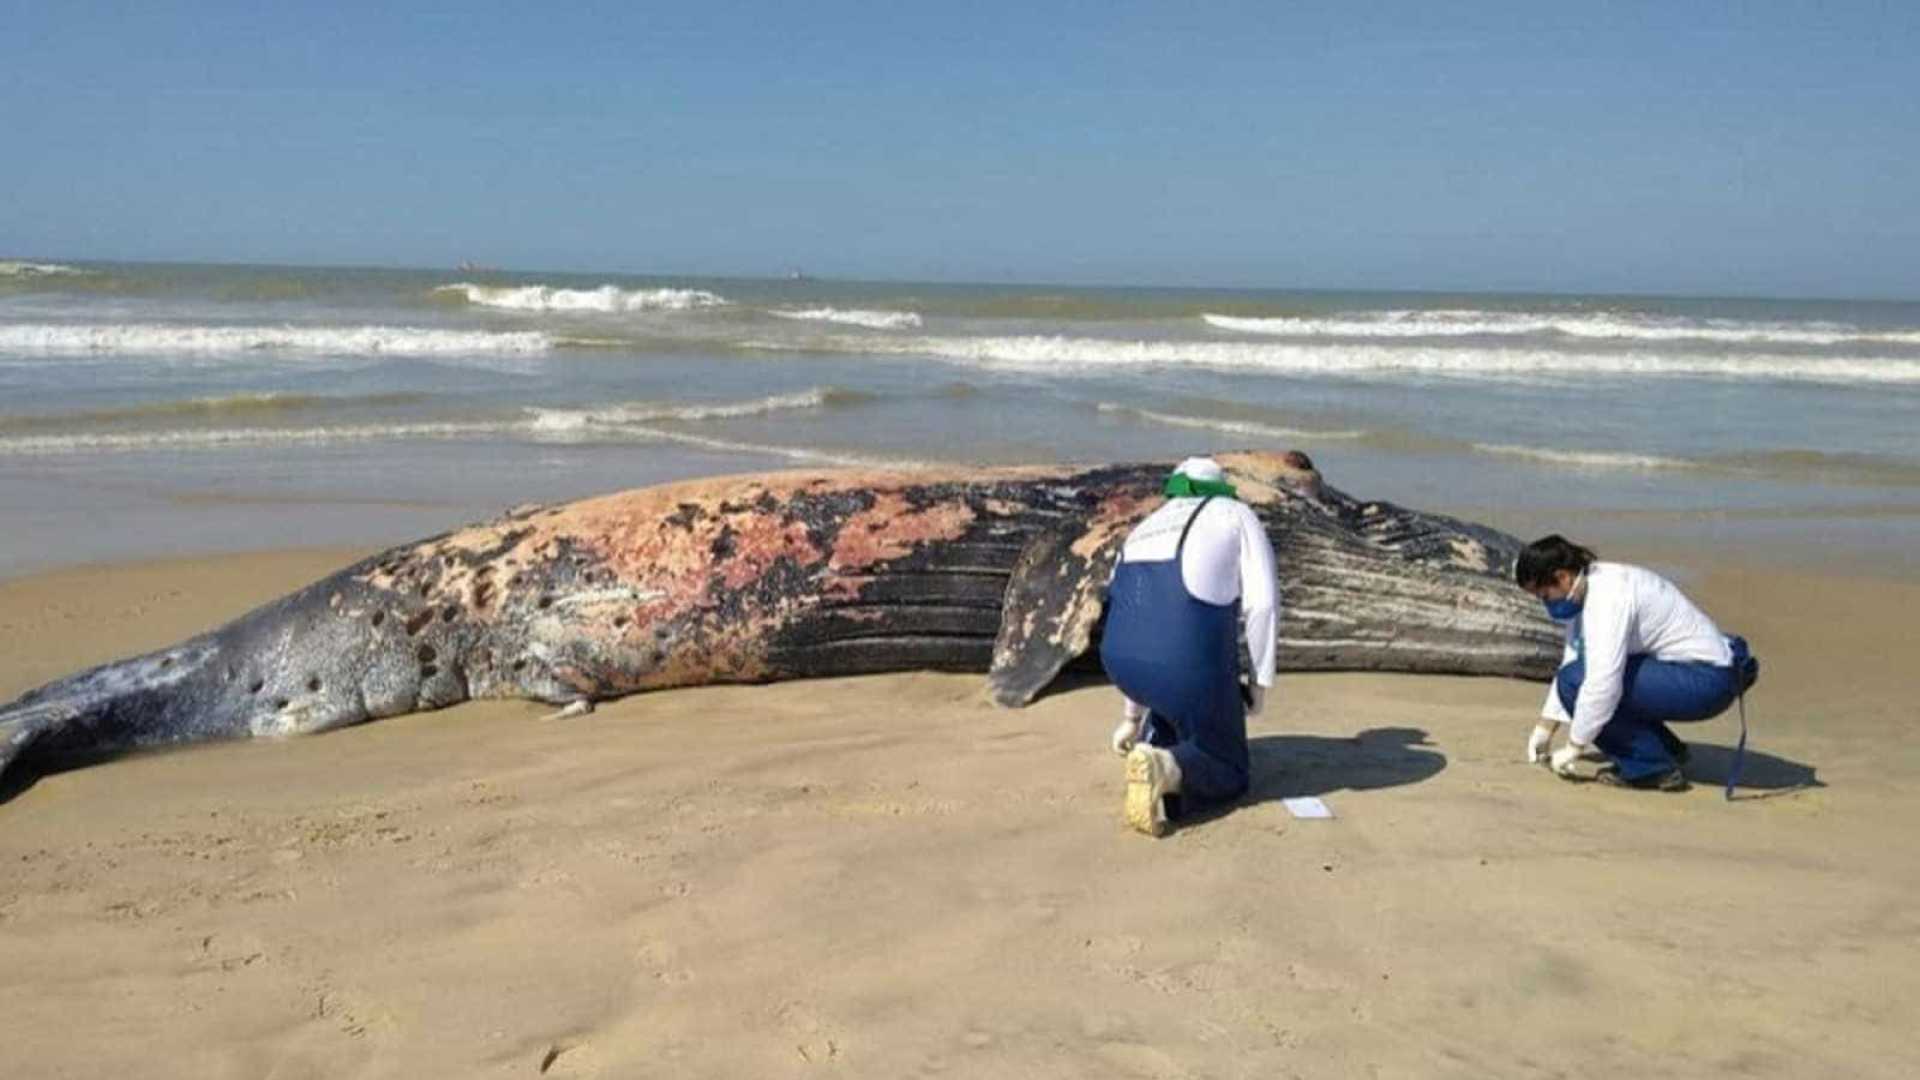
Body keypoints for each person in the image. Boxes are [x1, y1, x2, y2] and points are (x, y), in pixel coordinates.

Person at [1100, 457, 1279, 836]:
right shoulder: (1235, 513)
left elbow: (1136, 617)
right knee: (1229, 765)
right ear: (1221, 486)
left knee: (1176, 706)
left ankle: (1152, 746)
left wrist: (1130, 718)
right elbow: (1262, 604)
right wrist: (1258, 682)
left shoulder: (1146, 525)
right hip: (1184, 666)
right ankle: (1166, 768)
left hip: (1121, 662)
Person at [1516, 535, 1758, 792]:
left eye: (1544, 595)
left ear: (1563, 577)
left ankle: (1650, 767)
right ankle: (1664, 751)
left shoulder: (1608, 598)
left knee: (1579, 682)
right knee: (1577, 677)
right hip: (1702, 672)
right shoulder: (1593, 584)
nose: (1546, 603)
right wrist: (1546, 726)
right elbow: (1576, 654)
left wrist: (1575, 745)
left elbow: (1600, 683)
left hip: (1706, 681)